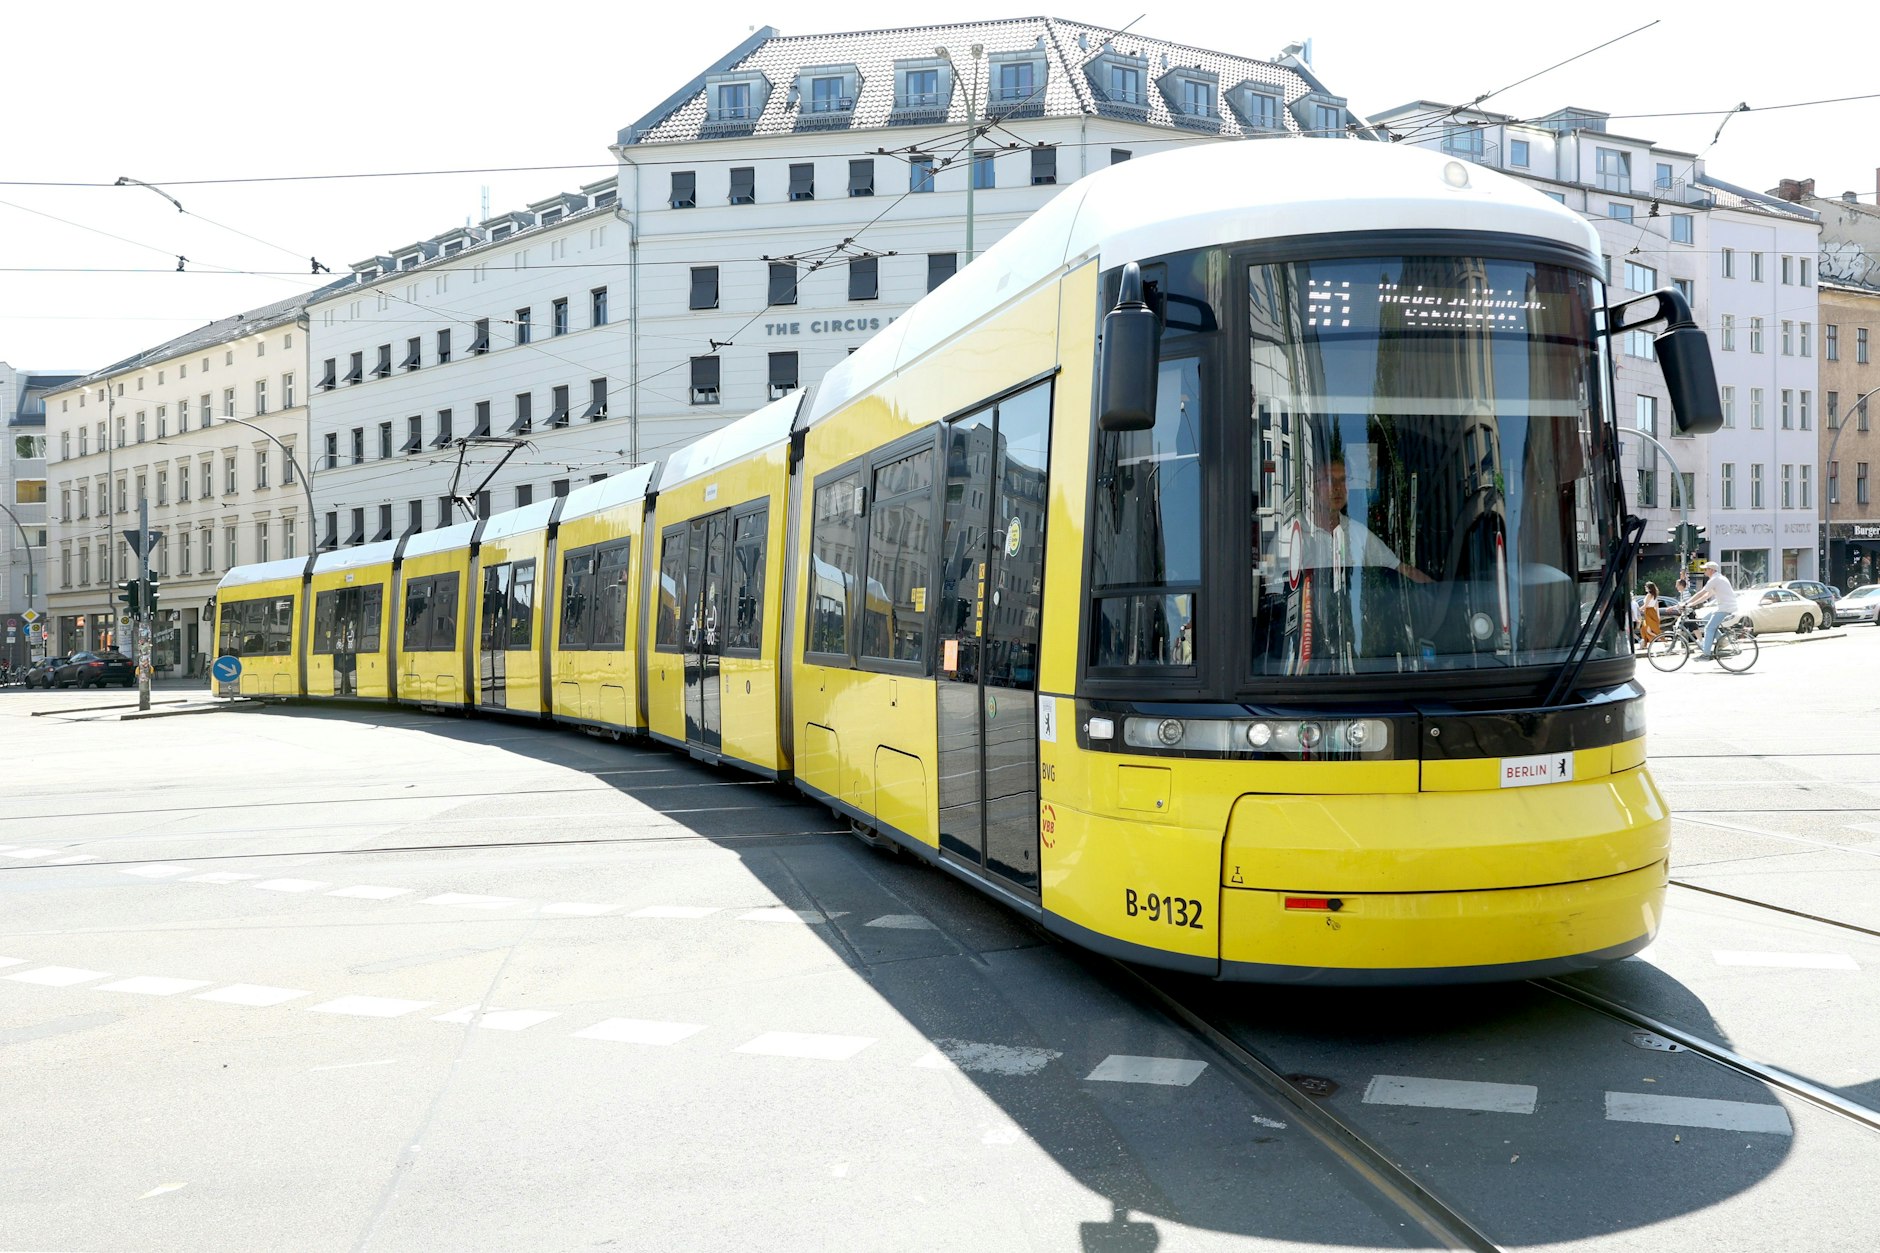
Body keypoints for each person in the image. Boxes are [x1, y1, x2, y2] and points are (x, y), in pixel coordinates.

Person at [1307, 457, 1433, 584]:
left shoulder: (1357, 532)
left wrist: (1437, 591)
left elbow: (1398, 568)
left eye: (1343, 480)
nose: (1338, 488)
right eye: (1330, 480)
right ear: (1315, 486)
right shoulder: (1298, 533)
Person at [1682, 560, 1739, 659]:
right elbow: (1706, 595)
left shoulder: (1714, 579)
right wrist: (1692, 604)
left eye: (1706, 569)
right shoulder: (1719, 578)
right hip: (1724, 606)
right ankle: (1723, 641)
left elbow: (1701, 593)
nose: (1704, 571)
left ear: (1711, 570)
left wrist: (1686, 603)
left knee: (1709, 628)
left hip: (1725, 607)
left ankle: (1706, 654)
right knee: (1705, 620)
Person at [1638, 581, 1663, 646]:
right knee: (1648, 628)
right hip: (1652, 612)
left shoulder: (1649, 595)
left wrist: (1638, 609)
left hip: (1649, 612)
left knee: (1647, 629)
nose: (1645, 587)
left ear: (1649, 588)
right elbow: (1656, 606)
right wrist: (1658, 616)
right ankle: (1658, 639)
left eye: (1646, 586)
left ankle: (1660, 639)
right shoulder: (1655, 595)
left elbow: (1645, 605)